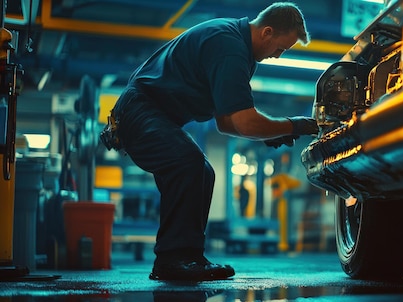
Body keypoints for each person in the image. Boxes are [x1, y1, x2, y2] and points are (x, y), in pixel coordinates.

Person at [101, 2, 318, 281]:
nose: (278, 56)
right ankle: (172, 260)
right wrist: (295, 125)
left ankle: (189, 258)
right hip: (139, 111)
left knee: (202, 171)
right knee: (187, 163)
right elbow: (241, 122)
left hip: (151, 112)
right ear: (267, 32)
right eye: (280, 48)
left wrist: (272, 132)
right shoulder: (229, 47)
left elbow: (226, 121)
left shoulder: (239, 50)